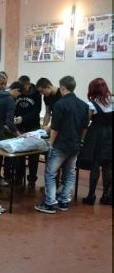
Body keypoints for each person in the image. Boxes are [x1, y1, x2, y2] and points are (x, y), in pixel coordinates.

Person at [35, 76, 89, 214]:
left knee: (50, 174)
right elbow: (85, 127)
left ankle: (50, 203)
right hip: (75, 145)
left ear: (63, 87)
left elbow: (55, 128)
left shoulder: (60, 104)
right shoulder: (84, 105)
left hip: (61, 145)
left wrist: (51, 144)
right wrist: (81, 141)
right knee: (70, 173)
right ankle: (64, 201)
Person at [81, 78, 112, 206]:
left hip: (97, 136)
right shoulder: (112, 100)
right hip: (110, 135)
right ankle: (106, 195)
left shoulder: (92, 105)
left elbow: (86, 123)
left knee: (95, 165)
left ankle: (91, 195)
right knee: (108, 166)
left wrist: (82, 139)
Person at [11, 75, 42, 188]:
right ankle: (18, 177)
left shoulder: (36, 93)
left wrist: (23, 118)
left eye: (23, 88)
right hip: (19, 126)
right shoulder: (17, 91)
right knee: (19, 154)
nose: (21, 90)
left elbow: (37, 110)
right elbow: (13, 107)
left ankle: (32, 180)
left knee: (34, 155)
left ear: (28, 85)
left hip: (33, 126)